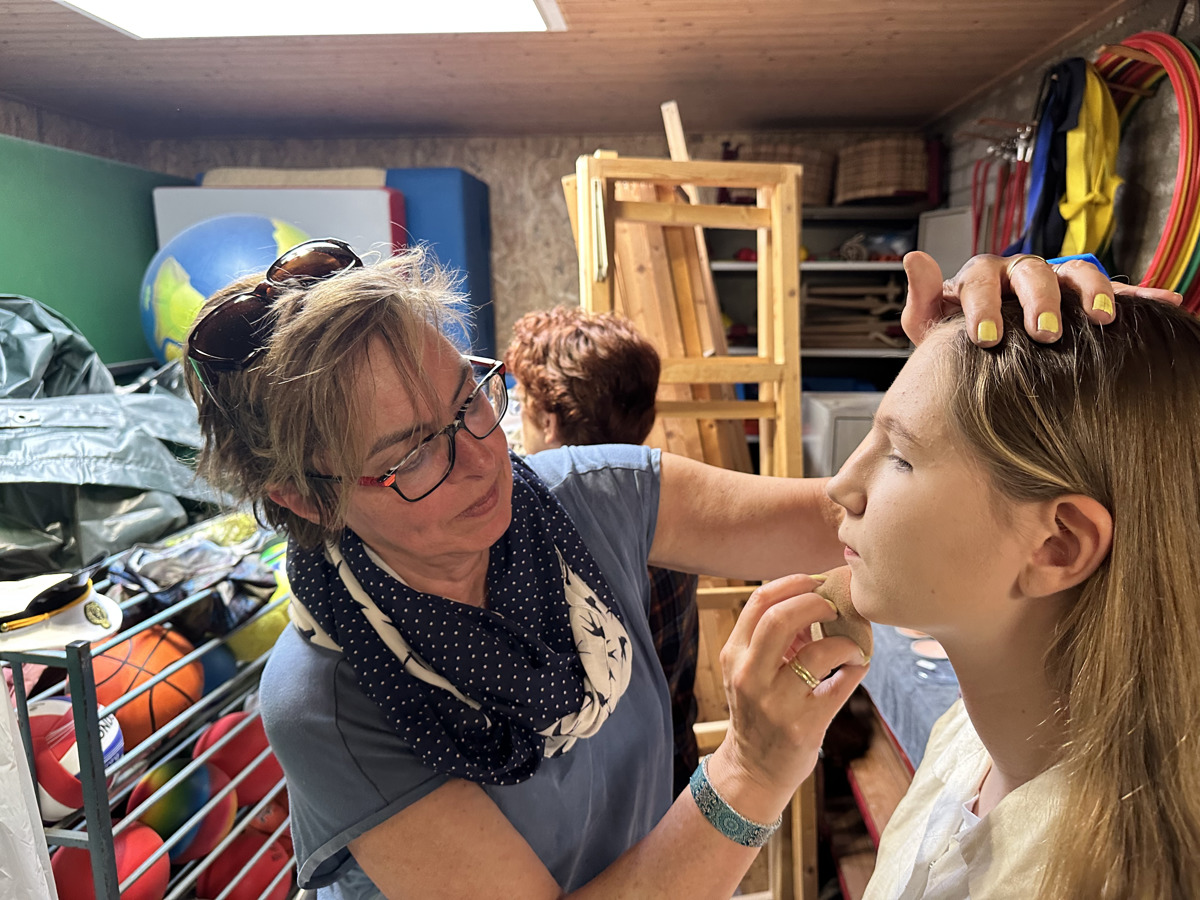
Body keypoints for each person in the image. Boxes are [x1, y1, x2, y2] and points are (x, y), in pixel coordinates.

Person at [181, 237, 1177, 900]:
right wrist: (751, 770)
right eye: (412, 456)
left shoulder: (581, 496)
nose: (483, 458)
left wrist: (980, 387)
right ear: (304, 501)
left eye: (469, 402)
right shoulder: (330, 697)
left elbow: (851, 518)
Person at [829, 289, 1200, 899]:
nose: (840, 485)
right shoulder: (969, 739)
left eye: (900, 457)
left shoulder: (1095, 877)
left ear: (1057, 545)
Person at [505, 305, 701, 795]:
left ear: (548, 421)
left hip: (605, 807)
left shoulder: (539, 544)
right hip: (676, 775)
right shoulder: (669, 510)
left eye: (520, 403)